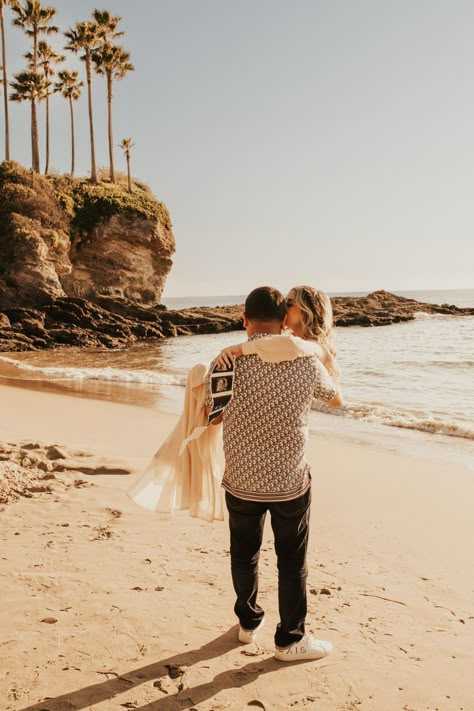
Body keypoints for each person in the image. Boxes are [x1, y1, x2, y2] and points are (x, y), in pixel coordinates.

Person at [205, 286, 342, 662]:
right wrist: (323, 354)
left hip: (241, 481)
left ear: (244, 320)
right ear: (285, 322)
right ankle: (289, 641)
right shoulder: (308, 360)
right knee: (292, 562)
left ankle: (248, 623)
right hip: (289, 484)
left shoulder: (227, 362)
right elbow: (335, 397)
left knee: (243, 555)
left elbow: (210, 416)